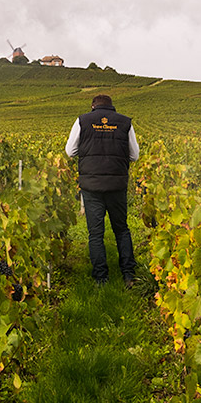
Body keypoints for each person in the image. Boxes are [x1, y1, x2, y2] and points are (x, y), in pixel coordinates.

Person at [64, 94, 139, 285]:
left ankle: (101, 278)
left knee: (95, 233)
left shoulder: (83, 120)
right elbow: (135, 155)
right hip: (117, 185)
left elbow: (70, 151)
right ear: (112, 107)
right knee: (121, 229)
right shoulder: (124, 122)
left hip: (92, 186)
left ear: (93, 107)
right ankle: (129, 274)